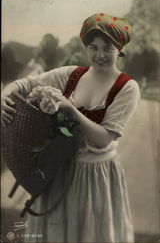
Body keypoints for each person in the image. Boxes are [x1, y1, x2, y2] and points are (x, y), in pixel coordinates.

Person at [1, 13, 140, 242]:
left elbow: (104, 138)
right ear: (86, 47)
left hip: (95, 175)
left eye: (108, 48)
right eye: (93, 47)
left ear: (120, 48)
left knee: (90, 233)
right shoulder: (71, 75)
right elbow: (25, 83)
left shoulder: (127, 87)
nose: (100, 55)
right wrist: (4, 95)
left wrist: (70, 110)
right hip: (57, 171)